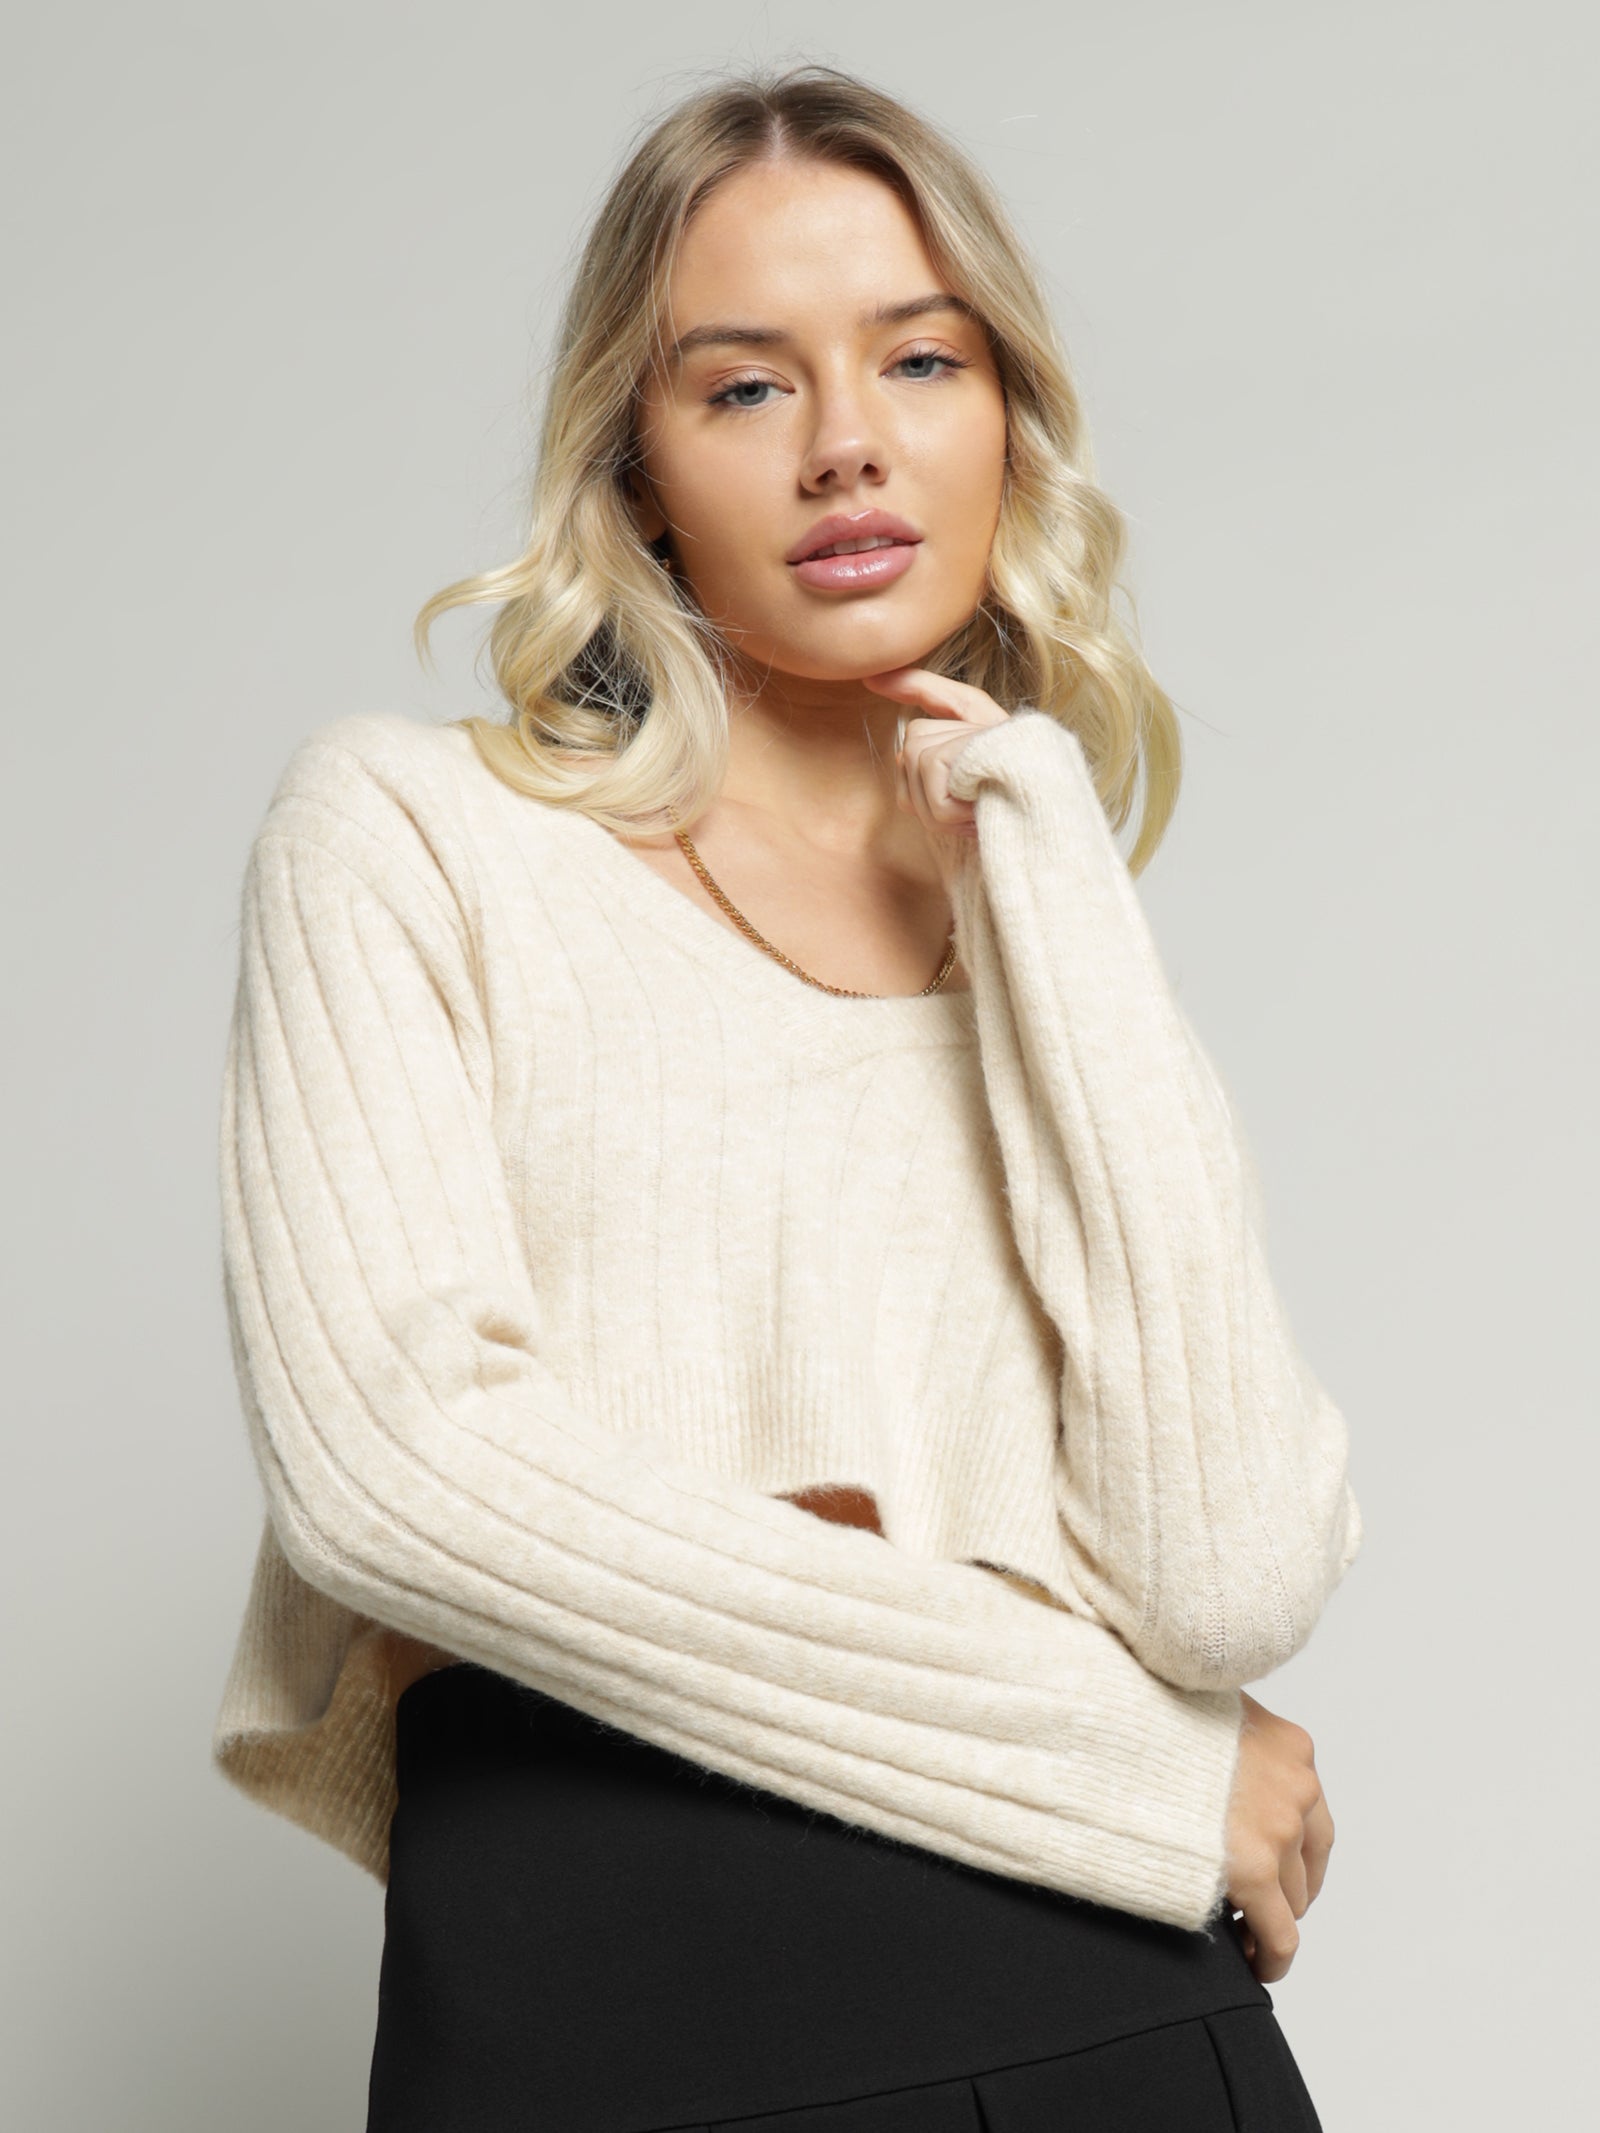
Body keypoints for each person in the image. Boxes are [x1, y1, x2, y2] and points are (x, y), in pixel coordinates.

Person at [211, 61, 1361, 2133]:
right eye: (743, 386)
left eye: (919, 360)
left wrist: (1047, 865)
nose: (846, 442)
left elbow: (1224, 1575)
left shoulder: (1041, 922)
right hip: (627, 2001)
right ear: (637, 470)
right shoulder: (410, 837)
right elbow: (397, 1471)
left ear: (1005, 422)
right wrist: (1129, 1763)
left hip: (1119, 2019)